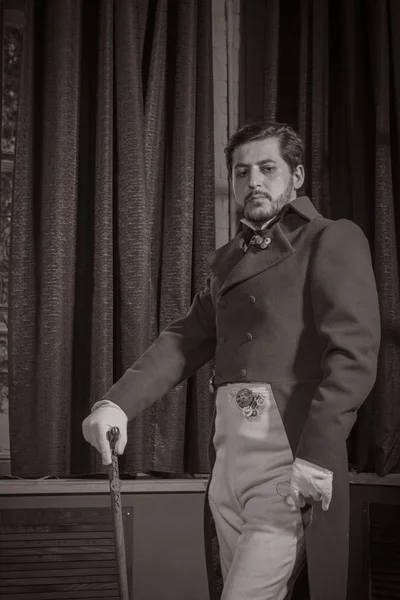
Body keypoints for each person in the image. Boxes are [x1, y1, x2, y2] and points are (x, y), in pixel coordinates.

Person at [82, 121, 381, 600]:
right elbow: (183, 340)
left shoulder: (331, 239)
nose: (253, 182)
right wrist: (116, 404)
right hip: (228, 466)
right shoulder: (229, 262)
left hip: (289, 463)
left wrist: (318, 454)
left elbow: (354, 353)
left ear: (297, 174)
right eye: (242, 173)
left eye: (268, 168)